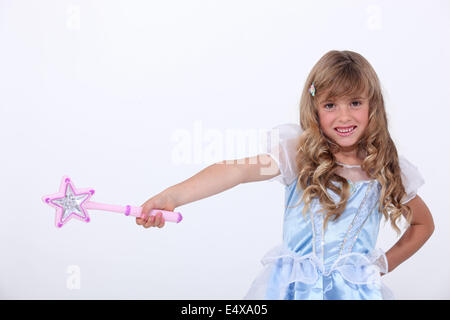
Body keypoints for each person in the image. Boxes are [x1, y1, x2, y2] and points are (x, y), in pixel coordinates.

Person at [135, 50, 434, 300]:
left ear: (373, 106)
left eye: (355, 103)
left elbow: (423, 223)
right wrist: (172, 196)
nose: (344, 116)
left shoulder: (384, 167)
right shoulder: (299, 156)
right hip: (290, 291)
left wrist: (380, 266)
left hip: (354, 293)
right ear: (315, 109)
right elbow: (236, 171)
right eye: (330, 105)